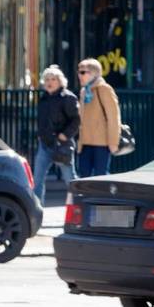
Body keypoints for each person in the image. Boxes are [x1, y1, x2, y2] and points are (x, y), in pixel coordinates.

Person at [32, 65, 80, 204]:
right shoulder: (43, 98)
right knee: (38, 180)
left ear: (60, 81)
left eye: (53, 79)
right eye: (47, 79)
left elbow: (76, 120)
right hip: (45, 144)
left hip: (62, 145)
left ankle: (79, 208)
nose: (49, 82)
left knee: (70, 179)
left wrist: (65, 135)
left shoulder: (68, 97)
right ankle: (36, 212)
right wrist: (40, 135)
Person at [76, 58, 120, 177]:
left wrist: (113, 142)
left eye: (83, 72)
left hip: (102, 144)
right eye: (79, 72)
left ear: (94, 74)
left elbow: (113, 117)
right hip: (85, 143)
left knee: (100, 178)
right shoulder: (84, 91)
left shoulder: (104, 89)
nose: (79, 75)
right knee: (84, 179)